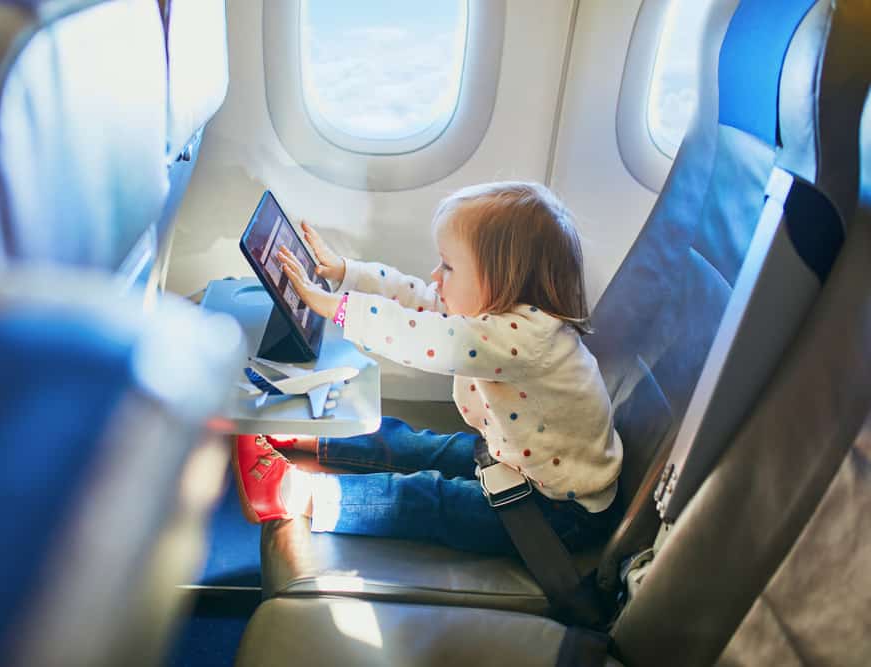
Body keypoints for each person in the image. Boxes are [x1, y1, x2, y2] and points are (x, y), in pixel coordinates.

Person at [234, 181, 623, 555]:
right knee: (415, 444)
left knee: (427, 498)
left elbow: (419, 337)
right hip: (514, 461)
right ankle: (313, 438)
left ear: (500, 279)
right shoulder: (494, 311)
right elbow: (416, 300)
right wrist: (345, 273)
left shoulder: (524, 339)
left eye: (448, 267)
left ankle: (289, 494)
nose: (436, 276)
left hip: (559, 513)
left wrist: (336, 308)